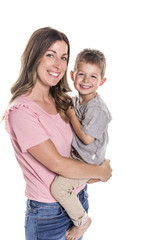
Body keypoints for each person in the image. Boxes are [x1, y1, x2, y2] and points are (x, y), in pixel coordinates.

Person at [4, 27, 112, 240]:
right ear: (34, 56)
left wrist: (88, 173)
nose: (58, 64)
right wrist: (99, 171)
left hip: (78, 199)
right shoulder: (22, 111)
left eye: (63, 57)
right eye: (50, 55)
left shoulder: (61, 100)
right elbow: (57, 164)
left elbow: (80, 145)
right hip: (48, 215)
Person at [51, 48, 112, 240]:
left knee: (58, 188)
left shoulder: (97, 109)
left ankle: (81, 221)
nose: (86, 81)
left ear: (102, 81)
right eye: (81, 74)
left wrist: (70, 115)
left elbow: (86, 138)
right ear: (72, 75)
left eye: (93, 76)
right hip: (78, 156)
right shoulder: (77, 100)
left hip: (88, 160)